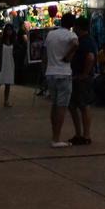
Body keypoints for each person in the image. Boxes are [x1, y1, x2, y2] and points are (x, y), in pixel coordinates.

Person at [44, 16, 78, 148]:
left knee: (54, 104)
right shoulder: (71, 35)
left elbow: (44, 53)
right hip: (63, 73)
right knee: (62, 106)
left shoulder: (51, 34)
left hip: (51, 72)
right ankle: (56, 138)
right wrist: (68, 55)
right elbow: (76, 44)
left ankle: (54, 134)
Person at [67, 17, 96, 144]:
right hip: (76, 76)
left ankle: (86, 135)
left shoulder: (86, 41)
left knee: (83, 105)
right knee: (73, 105)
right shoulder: (80, 40)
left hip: (82, 77)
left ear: (79, 27)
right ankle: (79, 133)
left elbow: (90, 57)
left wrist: (84, 73)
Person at [0, 24, 17, 108]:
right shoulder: (0, 40)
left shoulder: (13, 41)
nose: (9, 31)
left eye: (10, 30)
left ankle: (6, 101)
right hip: (1, 63)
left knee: (8, 83)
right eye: (8, 30)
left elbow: (15, 52)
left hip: (10, 63)